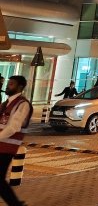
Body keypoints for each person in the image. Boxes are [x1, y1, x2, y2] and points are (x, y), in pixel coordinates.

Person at [0, 75, 33, 206]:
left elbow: (13, 127)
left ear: (20, 87)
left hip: (7, 147)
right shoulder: (5, 103)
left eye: (11, 83)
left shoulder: (22, 104)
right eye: (8, 83)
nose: (7, 86)